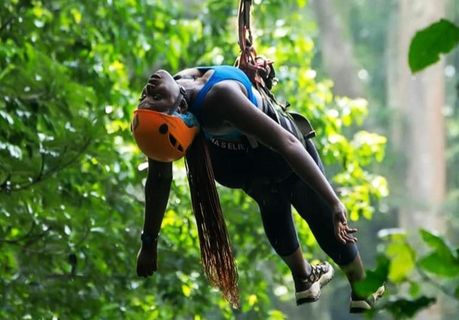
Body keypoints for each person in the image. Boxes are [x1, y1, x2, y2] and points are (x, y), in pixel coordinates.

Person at [132, 65, 384, 312]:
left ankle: (303, 277)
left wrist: (149, 243)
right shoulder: (219, 98)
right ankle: (362, 288)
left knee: (270, 199)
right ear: (182, 108)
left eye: (147, 96)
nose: (148, 89)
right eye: (155, 96)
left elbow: (159, 178)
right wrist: (334, 201)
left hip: (231, 165)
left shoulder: (172, 111)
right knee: (314, 206)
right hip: (272, 156)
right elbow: (286, 143)